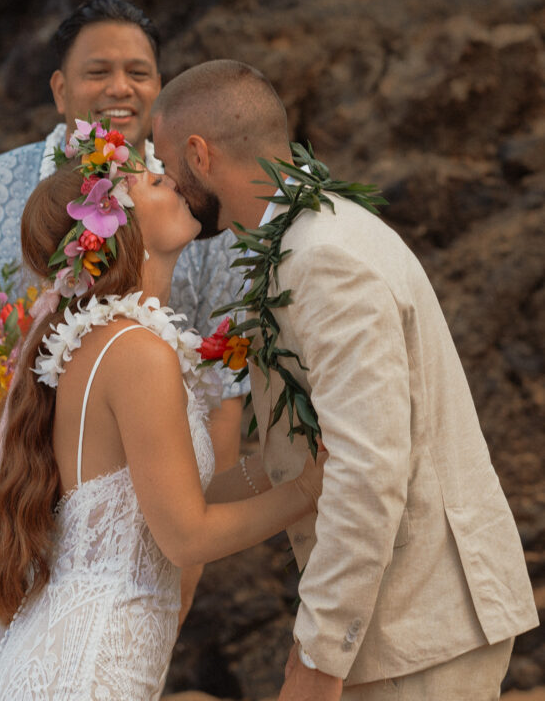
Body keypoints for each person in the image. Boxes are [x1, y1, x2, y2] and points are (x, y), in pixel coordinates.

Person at [0, 0, 247, 701]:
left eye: (139, 72)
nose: (120, 88)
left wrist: (187, 561)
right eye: (97, 70)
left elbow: (224, 390)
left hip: (123, 548)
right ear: (58, 87)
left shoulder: (184, 214)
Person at [151, 59, 539, 701]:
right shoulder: (298, 242)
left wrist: (318, 657)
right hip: (399, 630)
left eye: (167, 167)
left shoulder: (324, 256)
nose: (168, 185)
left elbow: (366, 469)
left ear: (200, 153)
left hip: (422, 634)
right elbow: (310, 458)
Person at [0, 128, 326, 700]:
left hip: (86, 653)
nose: (175, 181)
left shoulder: (115, 343)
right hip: (92, 668)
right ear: (111, 230)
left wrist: (281, 464)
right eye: (156, 181)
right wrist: (310, 488)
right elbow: (186, 535)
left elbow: (182, 497)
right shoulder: (135, 352)